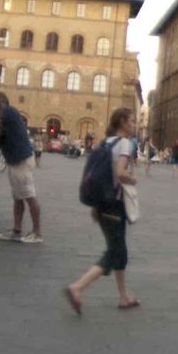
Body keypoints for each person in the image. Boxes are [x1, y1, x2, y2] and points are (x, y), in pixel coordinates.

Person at [65, 106, 141, 313]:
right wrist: (132, 179)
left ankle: (124, 296)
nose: (135, 125)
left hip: (102, 204)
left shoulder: (106, 142)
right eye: (133, 121)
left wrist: (95, 206)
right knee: (114, 252)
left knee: (119, 250)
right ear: (123, 123)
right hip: (114, 205)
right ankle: (77, 287)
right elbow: (120, 173)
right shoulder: (125, 143)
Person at [0, 92, 43, 244]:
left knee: (29, 196)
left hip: (20, 160)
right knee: (18, 197)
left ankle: (36, 233)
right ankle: (17, 230)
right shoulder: (9, 113)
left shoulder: (8, 113)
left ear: (2, 103)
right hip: (15, 160)